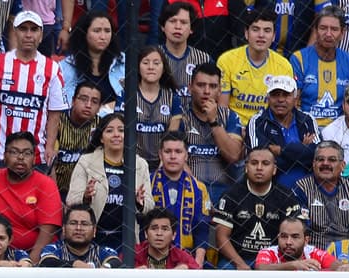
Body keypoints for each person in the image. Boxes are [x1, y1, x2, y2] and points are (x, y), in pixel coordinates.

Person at [0, 9, 67, 167]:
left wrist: (49, 146)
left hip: (35, 156)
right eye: (23, 29)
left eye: (34, 29)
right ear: (14, 33)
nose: (28, 35)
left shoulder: (52, 69)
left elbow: (54, 114)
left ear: (41, 35)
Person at [67, 113, 154, 255]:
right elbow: (71, 200)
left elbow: (150, 206)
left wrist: (140, 203)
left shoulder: (140, 164)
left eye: (121, 130)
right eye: (109, 130)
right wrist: (85, 197)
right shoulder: (86, 161)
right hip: (92, 238)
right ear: (101, 137)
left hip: (125, 239)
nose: (116, 135)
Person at [0, 131, 62, 256]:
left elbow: (48, 231)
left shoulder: (46, 184)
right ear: (4, 156)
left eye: (27, 153)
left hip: (35, 255)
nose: (20, 158)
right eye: (14, 152)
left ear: (34, 159)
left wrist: (30, 264)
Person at [214, 145, 307, 271]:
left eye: (265, 163)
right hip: (237, 258)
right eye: (254, 163)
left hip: (275, 260)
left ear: (274, 169)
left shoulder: (286, 197)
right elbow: (221, 237)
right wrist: (240, 264)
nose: (259, 168)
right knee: (226, 275)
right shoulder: (231, 195)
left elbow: (296, 235)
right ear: (246, 167)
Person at [217, 8, 293, 126]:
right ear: (246, 33)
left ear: (273, 36)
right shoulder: (227, 60)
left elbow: (285, 109)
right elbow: (222, 107)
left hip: (267, 127)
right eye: (255, 29)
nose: (261, 35)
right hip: (235, 127)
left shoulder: (283, 66)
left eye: (267, 31)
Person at [184, 62, 245, 205]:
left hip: (226, 194)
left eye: (213, 86)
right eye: (201, 85)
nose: (206, 91)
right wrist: (199, 194)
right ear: (190, 87)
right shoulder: (181, 117)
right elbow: (175, 160)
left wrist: (213, 122)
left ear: (219, 90)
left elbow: (234, 155)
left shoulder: (230, 116)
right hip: (191, 193)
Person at [246, 74, 318, 189]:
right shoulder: (258, 122)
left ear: (295, 98)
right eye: (275, 95)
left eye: (286, 95)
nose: (280, 100)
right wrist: (302, 149)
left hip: (308, 190)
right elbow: (260, 160)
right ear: (268, 98)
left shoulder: (307, 120)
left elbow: (318, 155)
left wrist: (281, 151)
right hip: (272, 190)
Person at [290, 9, 349, 129]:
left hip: (340, 130)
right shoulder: (299, 58)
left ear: (343, 33)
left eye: (334, 29)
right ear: (315, 31)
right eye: (323, 28)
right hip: (305, 127)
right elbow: (293, 103)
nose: (328, 34)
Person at [151, 131, 210, 264]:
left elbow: (202, 229)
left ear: (186, 156)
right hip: (152, 256)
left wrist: (197, 262)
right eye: (168, 151)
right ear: (160, 154)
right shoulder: (147, 182)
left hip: (187, 257)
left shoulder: (199, 188)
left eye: (178, 151)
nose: (173, 156)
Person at [294, 140, 349, 249]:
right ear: (314, 164)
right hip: (313, 251)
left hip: (347, 250)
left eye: (332, 160)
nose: (325, 163)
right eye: (320, 159)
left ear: (342, 165)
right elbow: (301, 227)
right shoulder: (301, 187)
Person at [58, 10, 125, 111]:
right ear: (84, 33)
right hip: (77, 124)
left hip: (115, 123)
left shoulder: (124, 63)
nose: (103, 37)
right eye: (97, 31)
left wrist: (102, 111)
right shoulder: (64, 67)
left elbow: (133, 100)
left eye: (107, 31)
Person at [133, 45, 184, 170]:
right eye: (145, 62)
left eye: (156, 63)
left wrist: (162, 165)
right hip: (133, 162)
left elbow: (172, 136)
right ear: (138, 67)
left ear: (163, 68)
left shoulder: (173, 98)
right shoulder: (127, 95)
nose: (151, 67)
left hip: (162, 163)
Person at [157, 1, 211, 111]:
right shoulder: (151, 58)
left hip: (195, 122)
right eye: (172, 21)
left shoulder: (204, 60)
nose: (178, 27)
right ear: (163, 26)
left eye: (183, 22)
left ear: (191, 29)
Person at [53, 81, 101, 197]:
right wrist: (54, 197)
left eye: (94, 102)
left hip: (85, 192)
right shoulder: (57, 121)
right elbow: (50, 166)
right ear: (73, 101)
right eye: (83, 99)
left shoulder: (101, 126)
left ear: (99, 107)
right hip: (55, 189)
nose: (88, 105)